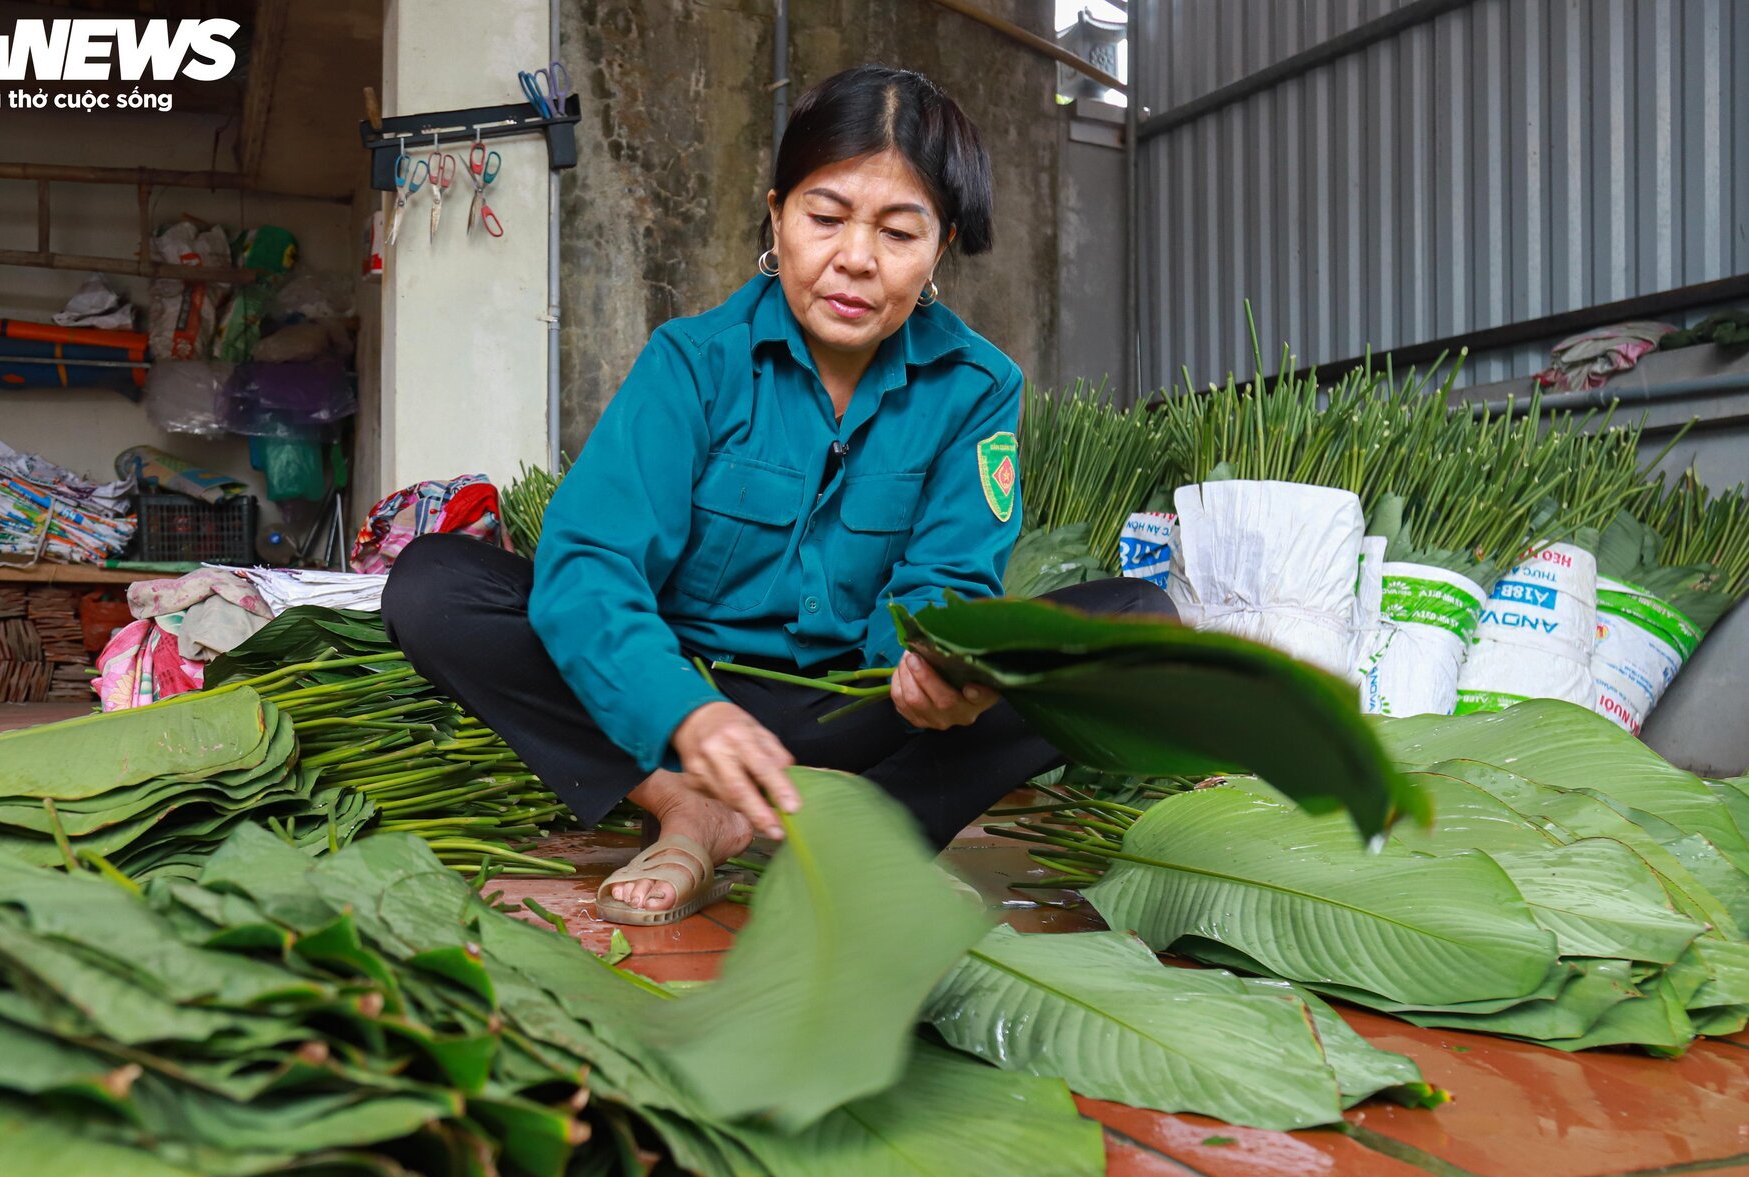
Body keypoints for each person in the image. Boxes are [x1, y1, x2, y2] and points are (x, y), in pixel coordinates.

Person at [385, 65, 1174, 926]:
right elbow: (593, 563)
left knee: (1135, 621)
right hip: (694, 701)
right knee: (436, 587)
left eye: (900, 233)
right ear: (777, 215)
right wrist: (685, 715)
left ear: (940, 248)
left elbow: (951, 572)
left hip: (866, 710)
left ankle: (875, 827)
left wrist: (940, 660)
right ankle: (691, 806)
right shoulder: (693, 362)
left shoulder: (976, 386)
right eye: (825, 218)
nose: (856, 260)